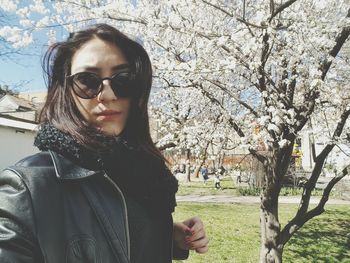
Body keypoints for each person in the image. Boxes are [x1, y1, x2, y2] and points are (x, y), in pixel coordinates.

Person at [0, 24, 208, 263]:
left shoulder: (146, 171)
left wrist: (169, 237)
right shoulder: (26, 188)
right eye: (87, 80)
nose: (108, 95)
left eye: (124, 79)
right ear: (66, 91)